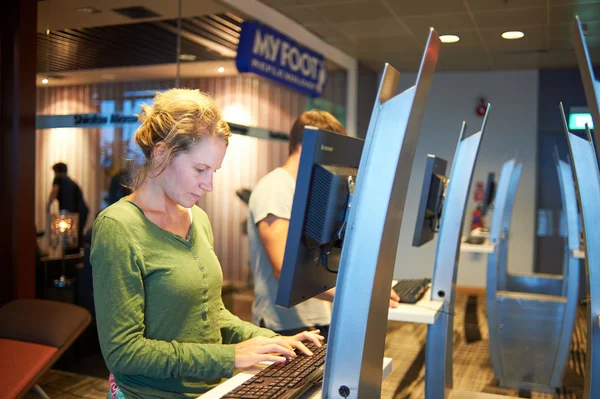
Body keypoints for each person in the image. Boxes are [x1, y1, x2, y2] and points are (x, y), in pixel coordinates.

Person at [91, 89, 323, 399]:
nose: (209, 185)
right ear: (161, 154)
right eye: (200, 169)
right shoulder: (117, 228)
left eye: (214, 171)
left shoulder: (197, 219)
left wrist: (271, 339)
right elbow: (124, 353)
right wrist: (231, 357)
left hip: (213, 390)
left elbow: (212, 314)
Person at [248, 110, 400, 339]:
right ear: (303, 145)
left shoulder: (312, 190)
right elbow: (283, 268)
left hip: (319, 316)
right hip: (285, 324)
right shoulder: (276, 188)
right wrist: (356, 296)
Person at [46, 162, 89, 248]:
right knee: (76, 236)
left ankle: (70, 257)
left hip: (73, 211)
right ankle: (76, 257)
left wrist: (47, 205)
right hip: (81, 211)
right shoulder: (71, 181)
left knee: (70, 238)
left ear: (57, 172)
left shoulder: (58, 179)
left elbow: (55, 191)